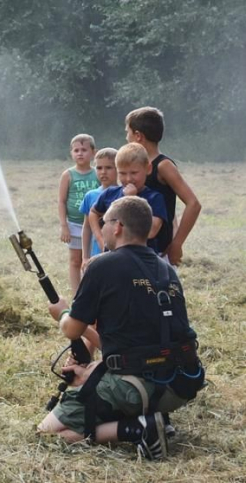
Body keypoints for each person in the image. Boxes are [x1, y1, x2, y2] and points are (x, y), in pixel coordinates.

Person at [39, 196, 205, 461]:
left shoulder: (102, 266)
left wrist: (62, 313)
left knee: (48, 431)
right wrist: (92, 370)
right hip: (182, 383)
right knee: (95, 378)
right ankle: (156, 416)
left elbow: (71, 330)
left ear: (117, 226)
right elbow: (133, 341)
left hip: (139, 387)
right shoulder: (166, 269)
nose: (101, 228)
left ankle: (139, 428)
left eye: (104, 222)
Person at [125, 107, 201, 265]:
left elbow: (193, 204)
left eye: (128, 133)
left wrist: (177, 244)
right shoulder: (133, 167)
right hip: (134, 245)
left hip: (158, 253)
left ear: (138, 136)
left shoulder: (163, 165)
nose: (126, 138)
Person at [89, 143, 167, 255]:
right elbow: (93, 212)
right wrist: (100, 238)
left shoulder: (155, 198)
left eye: (134, 173)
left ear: (148, 169)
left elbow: (151, 231)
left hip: (141, 260)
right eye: (122, 173)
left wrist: (132, 199)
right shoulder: (110, 194)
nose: (128, 178)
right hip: (113, 258)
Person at [58, 134, 99, 293]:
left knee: (91, 260)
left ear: (93, 152)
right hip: (74, 225)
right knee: (75, 261)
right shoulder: (68, 175)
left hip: (94, 226)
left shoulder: (98, 173)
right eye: (76, 150)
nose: (80, 153)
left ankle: (91, 291)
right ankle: (77, 295)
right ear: (71, 153)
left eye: (84, 149)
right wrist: (64, 226)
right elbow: (61, 201)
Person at [80, 148, 117, 264]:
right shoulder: (91, 196)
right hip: (97, 254)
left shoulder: (124, 193)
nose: (103, 172)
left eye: (108, 168)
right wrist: (85, 257)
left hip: (119, 253)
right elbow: (87, 227)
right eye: (99, 168)